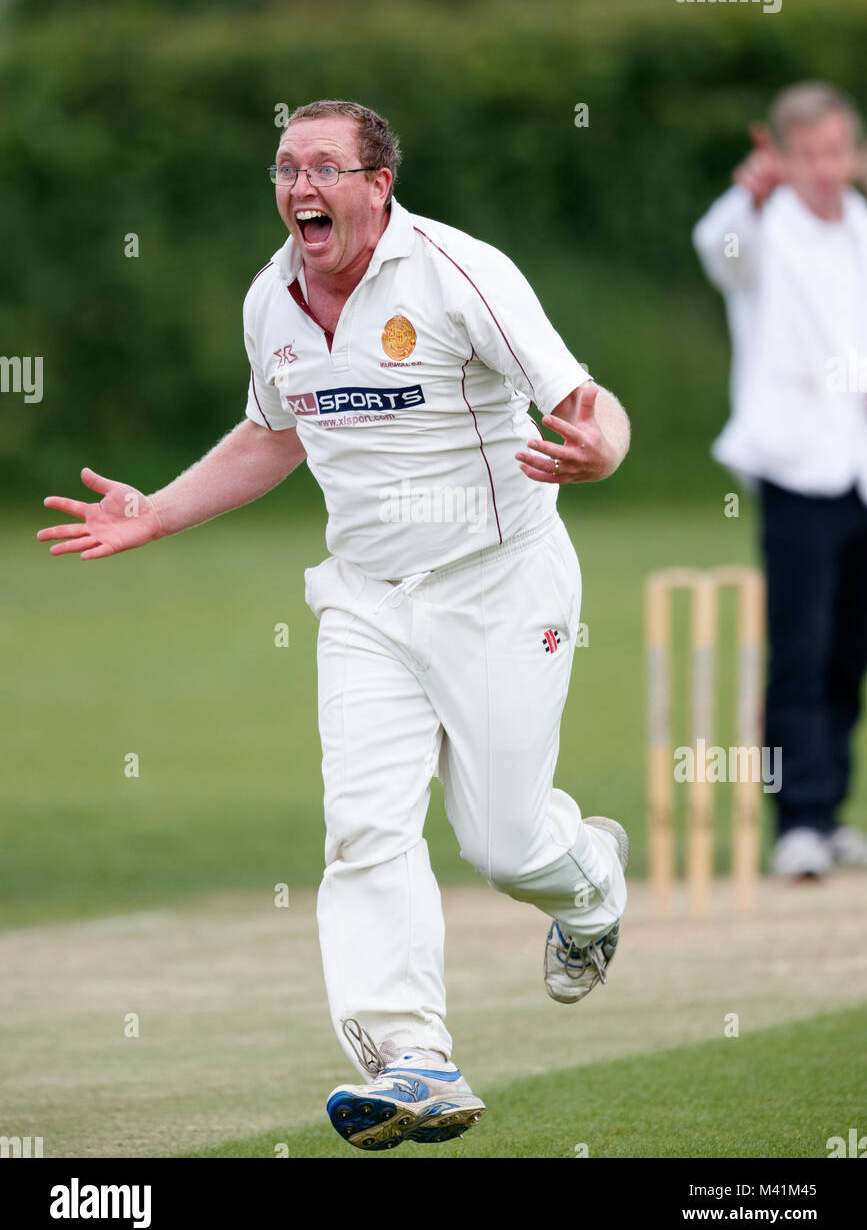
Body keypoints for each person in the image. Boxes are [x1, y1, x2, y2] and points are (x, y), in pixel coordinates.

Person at [37, 99, 631, 1151]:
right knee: (363, 830)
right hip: (364, 601)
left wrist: (602, 453)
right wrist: (159, 510)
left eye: (323, 167)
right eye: (283, 167)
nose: (299, 187)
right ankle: (415, 1060)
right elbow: (276, 433)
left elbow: (587, 402)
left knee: (500, 840)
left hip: (502, 586)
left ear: (377, 183)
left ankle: (589, 882)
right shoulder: (272, 297)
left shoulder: (458, 272)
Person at [693, 81, 867, 882]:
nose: (824, 168)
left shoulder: (858, 231)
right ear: (781, 155)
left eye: (835, 151)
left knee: (848, 652)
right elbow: (715, 251)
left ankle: (830, 813)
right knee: (798, 647)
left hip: (858, 464)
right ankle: (795, 820)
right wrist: (744, 195)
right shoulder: (761, 229)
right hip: (795, 465)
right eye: (807, 154)